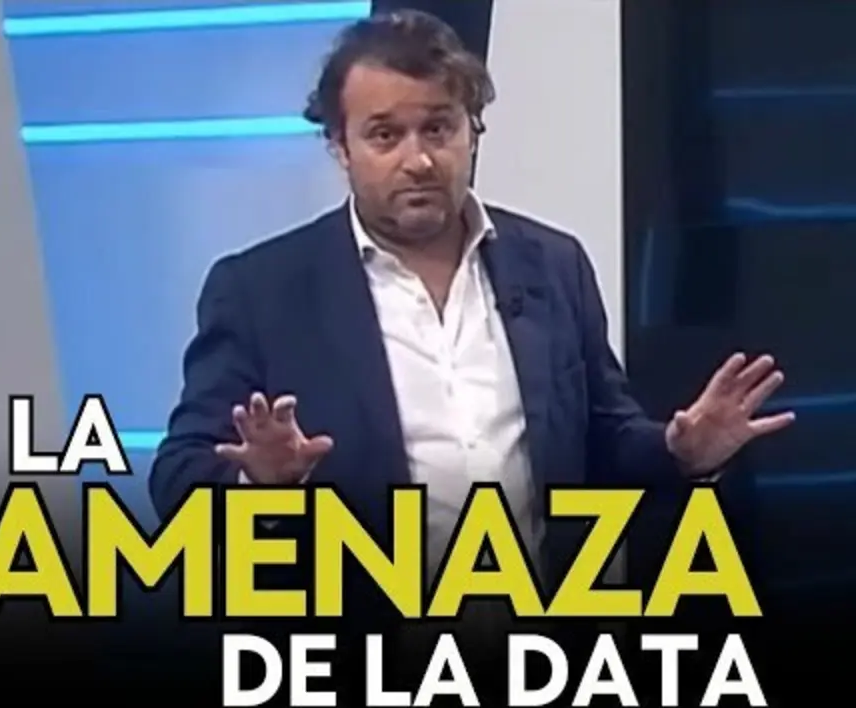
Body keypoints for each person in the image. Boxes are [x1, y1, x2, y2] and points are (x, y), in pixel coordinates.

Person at [148, 9, 793, 637]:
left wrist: (678, 455)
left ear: (472, 131)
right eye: (384, 136)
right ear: (340, 147)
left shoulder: (553, 265)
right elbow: (178, 477)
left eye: (438, 128)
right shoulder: (260, 289)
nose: (419, 160)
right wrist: (259, 481)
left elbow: (606, 436)